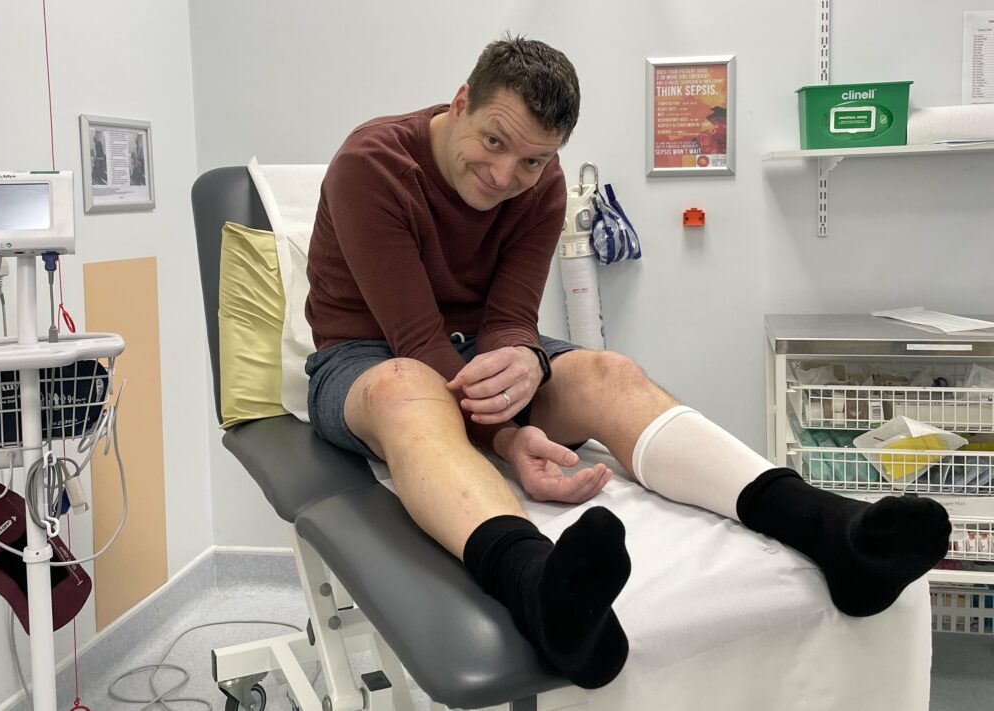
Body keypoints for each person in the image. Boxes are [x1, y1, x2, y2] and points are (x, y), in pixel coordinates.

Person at [305, 35, 951, 689]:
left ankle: (829, 530)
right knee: (406, 387)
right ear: (462, 101)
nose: (505, 176)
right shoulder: (373, 166)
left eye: (532, 159)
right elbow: (417, 341)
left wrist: (527, 359)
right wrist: (507, 434)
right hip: (368, 354)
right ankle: (537, 589)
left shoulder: (543, 183)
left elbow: (507, 321)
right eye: (494, 142)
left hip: (479, 346)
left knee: (609, 371)